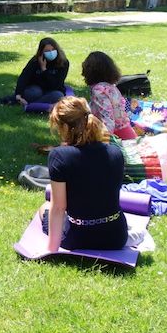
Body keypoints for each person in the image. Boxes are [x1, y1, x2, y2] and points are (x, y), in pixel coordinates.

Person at [42, 97, 145, 252]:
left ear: (64, 127)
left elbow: (58, 207)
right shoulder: (115, 153)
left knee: (45, 208)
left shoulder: (59, 156)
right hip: (115, 236)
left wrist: (51, 251)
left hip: (78, 238)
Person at [81, 51, 136, 140]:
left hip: (116, 135)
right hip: (126, 130)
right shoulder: (111, 87)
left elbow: (107, 118)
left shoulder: (99, 90)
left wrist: (105, 141)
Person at [0, 37, 69, 106]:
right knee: (34, 93)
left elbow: (56, 85)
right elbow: (24, 77)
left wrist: (44, 69)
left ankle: (30, 105)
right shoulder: (35, 61)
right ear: (41, 52)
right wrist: (18, 95)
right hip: (36, 89)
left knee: (58, 96)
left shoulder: (63, 63)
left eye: (53, 49)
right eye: (47, 51)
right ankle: (23, 101)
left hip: (53, 90)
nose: (51, 52)